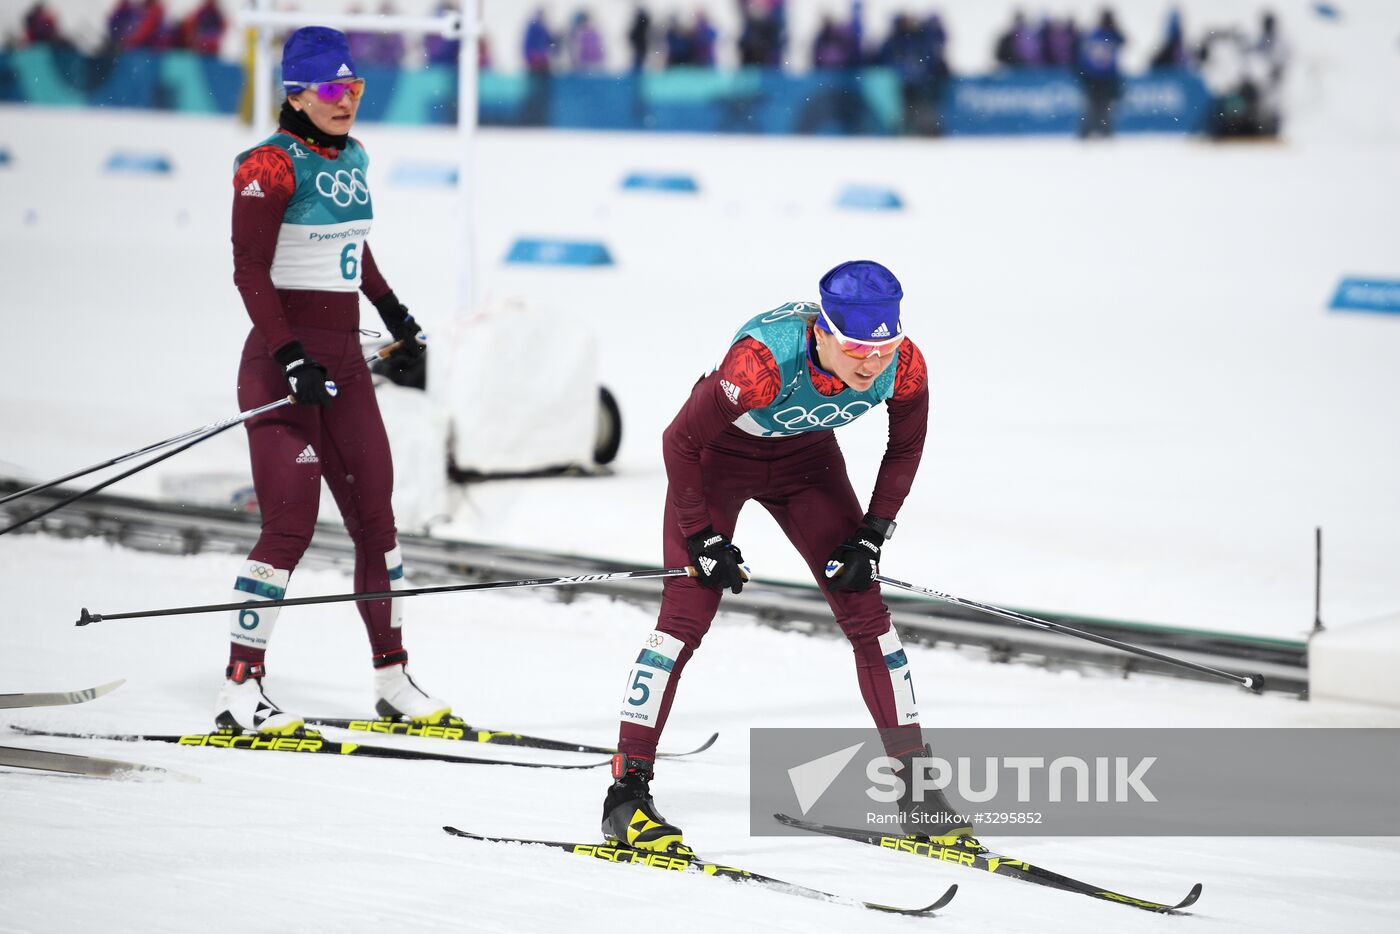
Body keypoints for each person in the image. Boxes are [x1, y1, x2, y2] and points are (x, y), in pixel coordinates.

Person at [600, 261, 970, 852]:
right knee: (684, 619)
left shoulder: (903, 365)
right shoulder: (761, 363)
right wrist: (701, 538)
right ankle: (626, 795)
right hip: (715, 460)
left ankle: (917, 788)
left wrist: (872, 534)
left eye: (884, 350)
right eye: (856, 351)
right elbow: (680, 441)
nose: (872, 364)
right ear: (821, 333)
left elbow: (905, 447)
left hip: (806, 464)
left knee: (868, 616)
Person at [219, 26, 448, 733]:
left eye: (356, 87)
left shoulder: (351, 157)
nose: (347, 99)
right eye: (332, 88)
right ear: (296, 93)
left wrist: (396, 316)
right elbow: (250, 270)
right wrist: (291, 356)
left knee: (378, 527)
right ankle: (240, 688)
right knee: (288, 527)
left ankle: (393, 679)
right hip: (283, 372)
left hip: (345, 366)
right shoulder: (268, 165)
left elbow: (352, 244)